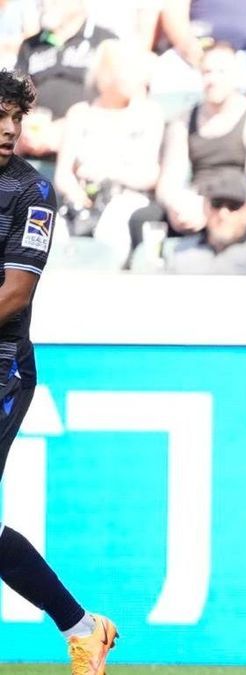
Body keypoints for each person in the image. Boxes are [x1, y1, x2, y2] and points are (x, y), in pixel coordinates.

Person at [0, 68, 117, 672]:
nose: (7, 130)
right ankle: (82, 626)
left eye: (15, 119)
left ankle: (81, 626)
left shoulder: (30, 192)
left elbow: (14, 294)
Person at [53, 38, 163, 262]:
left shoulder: (149, 114)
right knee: (53, 232)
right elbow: (63, 175)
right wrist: (76, 193)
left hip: (127, 199)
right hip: (80, 200)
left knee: (111, 229)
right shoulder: (80, 114)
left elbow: (149, 175)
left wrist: (107, 172)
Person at [156, 42, 246, 237]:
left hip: (238, 203)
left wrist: (214, 210)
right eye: (207, 72)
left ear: (236, 75)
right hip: (196, 203)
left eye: (221, 72)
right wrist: (178, 205)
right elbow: (169, 183)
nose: (213, 79)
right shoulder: (183, 122)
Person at [14, 0, 117, 164]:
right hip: (35, 145)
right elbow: (18, 100)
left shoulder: (105, 41)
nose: (45, 3)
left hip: (86, 146)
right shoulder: (30, 46)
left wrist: (68, 130)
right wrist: (26, 129)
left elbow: (116, 103)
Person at [159, 174, 246, 274]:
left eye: (233, 206)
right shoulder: (180, 250)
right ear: (205, 208)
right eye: (217, 204)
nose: (223, 214)